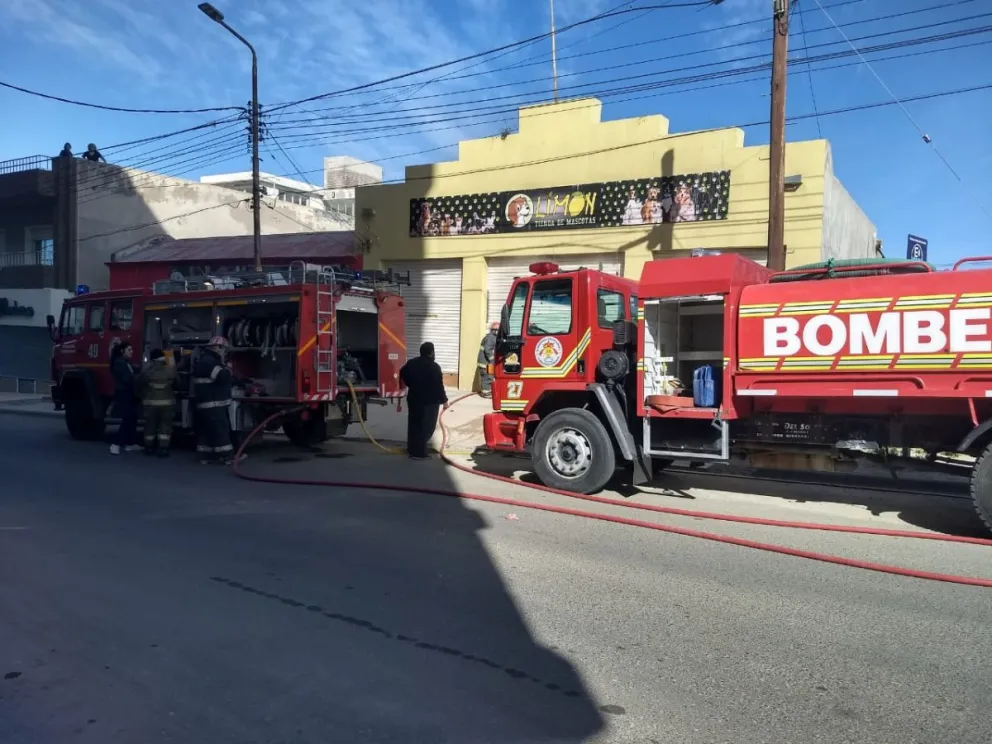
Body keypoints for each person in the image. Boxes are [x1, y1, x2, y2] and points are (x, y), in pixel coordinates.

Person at [192, 336, 239, 465]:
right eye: (224, 349)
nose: (225, 352)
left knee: (208, 431)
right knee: (220, 430)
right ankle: (226, 456)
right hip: (213, 403)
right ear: (218, 348)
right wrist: (228, 369)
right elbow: (222, 377)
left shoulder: (206, 360)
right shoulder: (210, 362)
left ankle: (206, 455)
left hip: (207, 403)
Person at [399, 342, 449, 460]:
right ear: (431, 352)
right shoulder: (434, 367)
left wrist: (410, 384)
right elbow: (439, 386)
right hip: (429, 402)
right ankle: (419, 453)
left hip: (414, 399)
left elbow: (403, 373)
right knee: (426, 427)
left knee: (414, 425)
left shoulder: (411, 363)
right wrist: (445, 401)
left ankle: (412, 449)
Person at [136, 348, 177, 457]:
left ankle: (149, 447)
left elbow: (138, 384)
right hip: (167, 404)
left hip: (149, 404)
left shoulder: (147, 371)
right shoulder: (170, 370)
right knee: (165, 426)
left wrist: (140, 395)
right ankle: (163, 448)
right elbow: (179, 384)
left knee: (150, 426)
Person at [109, 341, 141, 455]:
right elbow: (127, 379)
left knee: (132, 418)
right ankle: (116, 444)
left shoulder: (126, 363)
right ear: (122, 351)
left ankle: (130, 443)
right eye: (129, 350)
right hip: (124, 393)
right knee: (127, 418)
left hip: (128, 393)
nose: (132, 352)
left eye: (132, 349)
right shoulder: (120, 363)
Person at [477, 321, 499, 398]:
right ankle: (486, 393)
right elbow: (488, 350)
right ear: (495, 330)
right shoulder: (490, 338)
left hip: (487, 363)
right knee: (487, 377)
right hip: (485, 363)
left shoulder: (493, 337)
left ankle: (488, 392)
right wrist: (492, 360)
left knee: (489, 376)